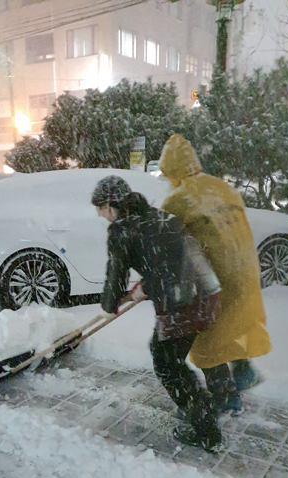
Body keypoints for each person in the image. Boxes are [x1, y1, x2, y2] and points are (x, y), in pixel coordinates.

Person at [91, 175, 223, 452]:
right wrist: (147, 284)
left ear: (110, 205)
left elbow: (116, 274)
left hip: (182, 300)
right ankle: (201, 404)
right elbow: (170, 258)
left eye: (99, 207)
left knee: (166, 361)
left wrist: (109, 305)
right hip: (206, 292)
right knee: (169, 353)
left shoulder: (121, 230)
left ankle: (205, 427)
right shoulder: (159, 217)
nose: (98, 214)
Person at [158, 133, 272, 413]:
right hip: (245, 269)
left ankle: (227, 399)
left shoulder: (178, 199)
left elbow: (166, 241)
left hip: (218, 277)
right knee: (235, 324)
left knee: (209, 341)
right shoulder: (221, 187)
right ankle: (244, 372)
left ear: (171, 169)